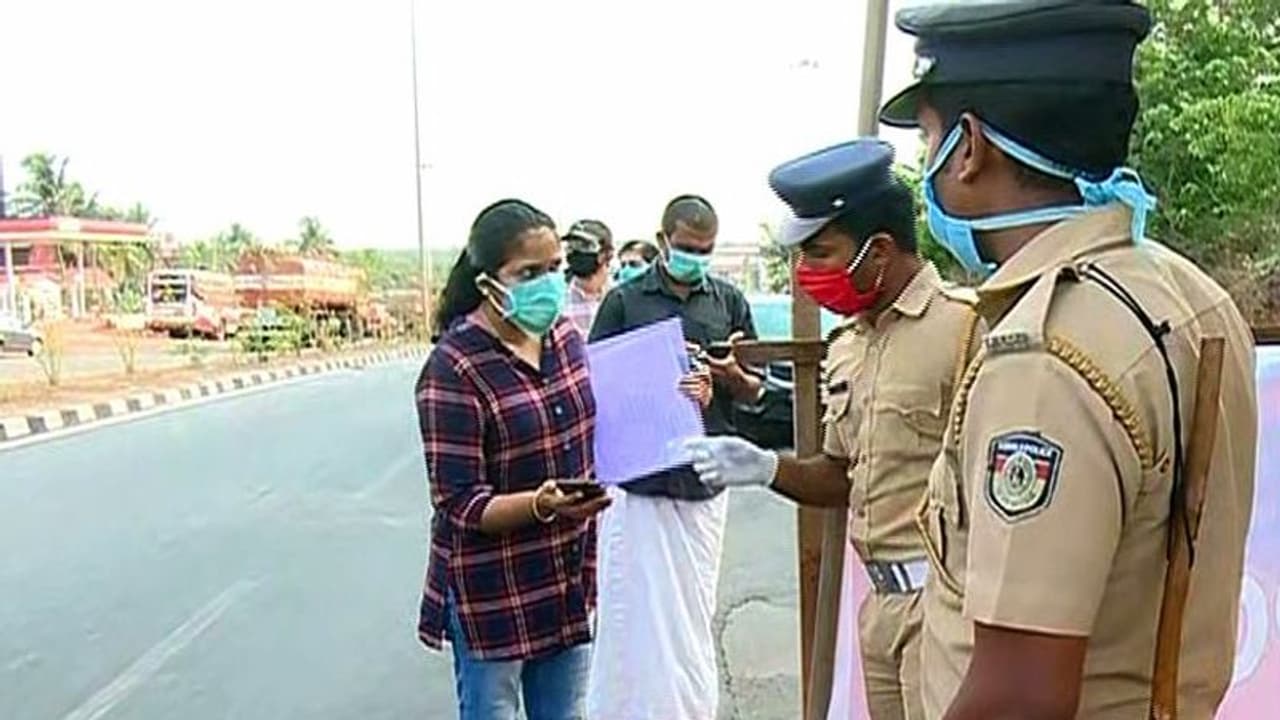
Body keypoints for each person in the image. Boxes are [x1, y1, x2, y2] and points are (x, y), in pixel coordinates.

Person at [876, 2, 1257, 718]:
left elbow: (1019, 698)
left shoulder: (1043, 358)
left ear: (969, 148)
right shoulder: (1190, 294)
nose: (927, 166)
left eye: (928, 139)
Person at [685, 139, 983, 720]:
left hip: (948, 605)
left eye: (821, 253)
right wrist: (766, 468)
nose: (807, 273)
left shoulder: (967, 329)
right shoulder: (848, 346)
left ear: (879, 250)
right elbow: (841, 476)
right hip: (881, 607)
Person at [415, 199, 612, 720]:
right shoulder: (454, 367)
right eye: (528, 273)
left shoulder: (565, 340)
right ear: (487, 283)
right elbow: (460, 503)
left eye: (554, 269)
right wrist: (543, 504)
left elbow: (595, 429)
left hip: (565, 577)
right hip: (493, 591)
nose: (547, 284)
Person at [585, 194, 758, 720]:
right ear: (663, 240)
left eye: (706, 250)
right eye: (686, 248)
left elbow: (754, 389)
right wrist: (656, 390)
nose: (695, 258)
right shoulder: (624, 303)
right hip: (642, 489)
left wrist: (722, 380)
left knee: (689, 618)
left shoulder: (728, 302)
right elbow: (598, 385)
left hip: (703, 487)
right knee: (634, 619)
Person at [562, 219, 614, 337]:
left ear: (606, 253)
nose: (575, 251)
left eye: (584, 246)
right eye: (571, 246)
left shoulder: (621, 297)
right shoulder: (558, 300)